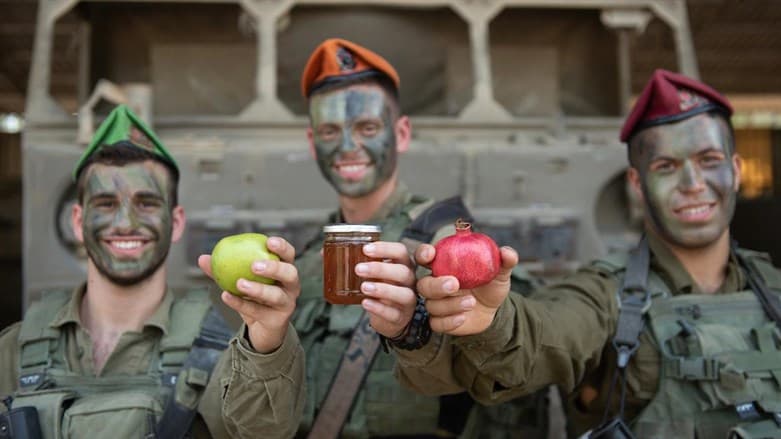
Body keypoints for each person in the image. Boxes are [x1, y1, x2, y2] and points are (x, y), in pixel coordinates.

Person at [397, 69, 781, 439]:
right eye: (666, 166)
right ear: (637, 183)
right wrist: (495, 322)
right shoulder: (606, 295)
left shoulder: (773, 287)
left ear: (736, 170)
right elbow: (549, 331)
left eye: (709, 161)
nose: (693, 184)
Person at [293, 38, 549, 439]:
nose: (347, 147)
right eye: (329, 131)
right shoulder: (309, 257)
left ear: (401, 133)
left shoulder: (442, 246)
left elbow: (506, 369)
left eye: (367, 128)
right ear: (312, 143)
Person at [0, 105, 305, 438]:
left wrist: (266, 350)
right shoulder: (13, 350)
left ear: (176, 222)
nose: (125, 223)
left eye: (146, 203)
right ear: (77, 220)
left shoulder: (221, 355)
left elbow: (262, 431)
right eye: (106, 203)